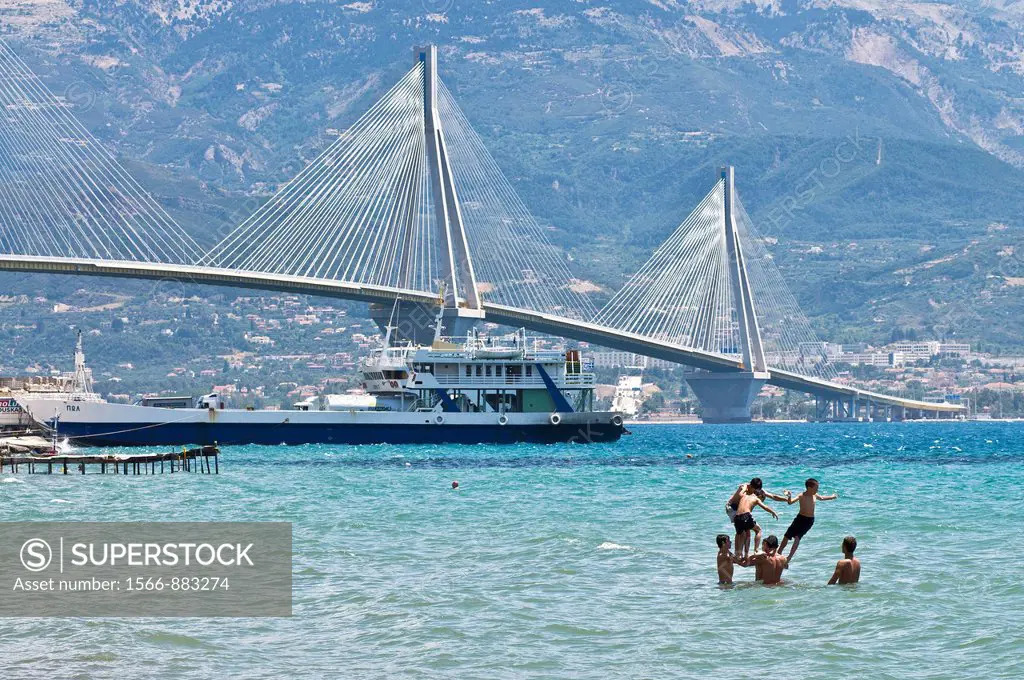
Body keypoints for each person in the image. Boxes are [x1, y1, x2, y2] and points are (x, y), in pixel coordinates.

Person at [725, 478, 790, 553]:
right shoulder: (744, 487)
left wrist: (786, 499)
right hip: (732, 508)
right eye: (754, 489)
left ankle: (745, 553)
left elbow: (773, 496)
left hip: (742, 512)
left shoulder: (757, 490)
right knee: (742, 532)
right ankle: (739, 552)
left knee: (746, 531)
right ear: (751, 486)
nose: (755, 492)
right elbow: (741, 497)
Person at [779, 478, 838, 560]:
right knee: (786, 536)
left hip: (809, 521)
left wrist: (832, 497)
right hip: (800, 518)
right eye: (816, 488)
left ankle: (789, 557)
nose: (817, 490)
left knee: (797, 537)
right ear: (809, 488)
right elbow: (790, 502)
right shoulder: (801, 495)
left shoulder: (815, 495)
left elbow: (822, 498)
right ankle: (778, 552)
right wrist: (789, 496)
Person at [733, 487, 779, 560]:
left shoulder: (744, 495)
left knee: (741, 535)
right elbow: (765, 507)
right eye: (762, 500)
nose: (761, 501)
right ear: (760, 496)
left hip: (737, 518)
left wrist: (744, 488)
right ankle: (756, 550)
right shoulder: (756, 498)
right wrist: (773, 512)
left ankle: (739, 555)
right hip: (746, 516)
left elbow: (739, 493)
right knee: (758, 530)